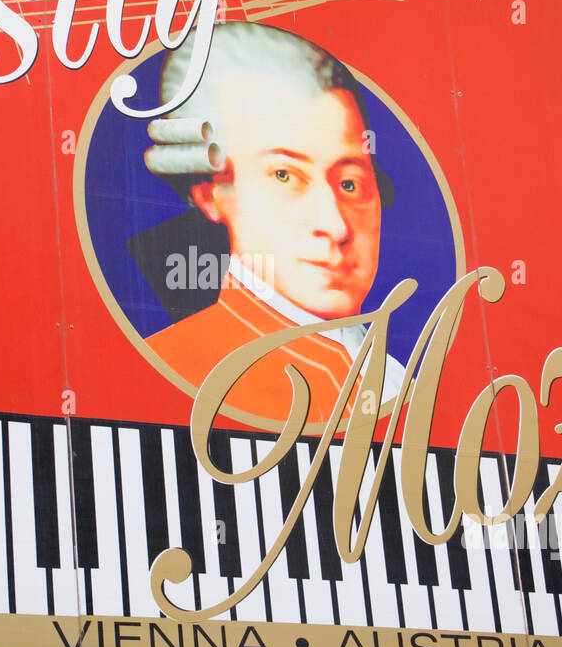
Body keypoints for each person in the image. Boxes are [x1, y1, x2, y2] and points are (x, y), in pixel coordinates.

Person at [143, 22, 406, 424]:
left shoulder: (397, 383)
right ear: (212, 194)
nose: (335, 227)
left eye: (350, 183)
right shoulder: (173, 368)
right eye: (285, 175)